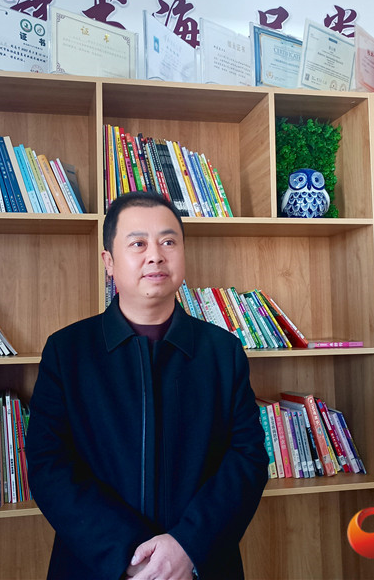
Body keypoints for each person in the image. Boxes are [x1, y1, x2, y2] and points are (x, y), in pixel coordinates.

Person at [26, 191, 268, 580]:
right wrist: (129, 555)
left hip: (198, 565)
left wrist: (186, 548)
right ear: (109, 262)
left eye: (168, 242)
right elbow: (48, 464)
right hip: (97, 565)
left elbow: (247, 458)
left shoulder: (223, 351)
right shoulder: (67, 351)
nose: (155, 255)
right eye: (138, 243)